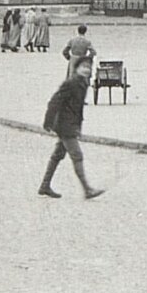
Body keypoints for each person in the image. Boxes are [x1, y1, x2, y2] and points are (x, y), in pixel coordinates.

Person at [39, 57, 103, 201]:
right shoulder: (71, 83)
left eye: (89, 67)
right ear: (77, 68)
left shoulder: (82, 83)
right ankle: (87, 190)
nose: (86, 69)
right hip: (64, 125)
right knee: (77, 155)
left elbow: (78, 109)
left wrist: (78, 127)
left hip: (70, 125)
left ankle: (44, 186)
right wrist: (48, 122)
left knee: (57, 155)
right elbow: (54, 101)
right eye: (83, 67)